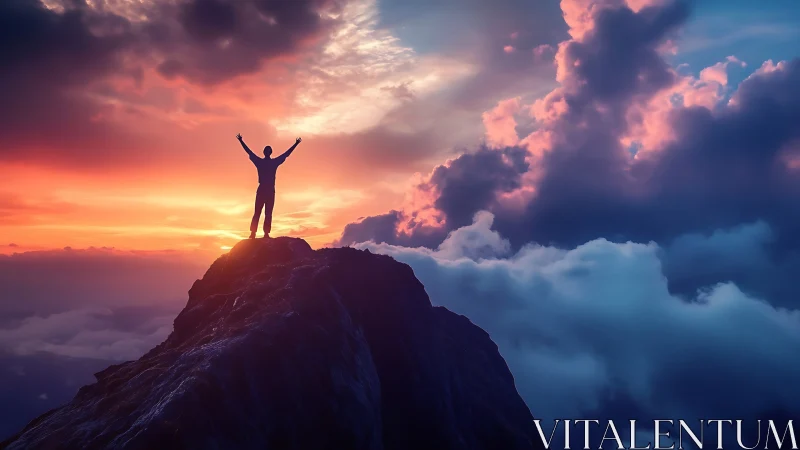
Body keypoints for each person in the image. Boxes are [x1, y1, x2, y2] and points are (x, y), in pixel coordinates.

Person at [236, 133, 302, 239]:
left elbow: (286, 154)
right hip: (263, 189)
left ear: (269, 152)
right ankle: (253, 232)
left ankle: (265, 233)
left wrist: (296, 144)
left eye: (268, 151)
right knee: (258, 212)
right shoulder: (262, 162)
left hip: (269, 190)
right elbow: (249, 151)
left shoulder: (271, 162)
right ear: (266, 152)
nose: (267, 152)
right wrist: (241, 141)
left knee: (268, 213)